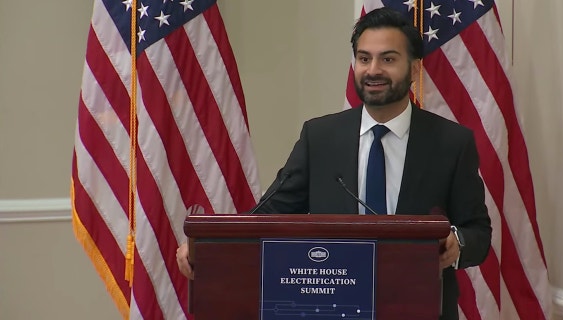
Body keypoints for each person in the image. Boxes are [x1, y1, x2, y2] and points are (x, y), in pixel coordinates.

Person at [177, 7, 491, 320]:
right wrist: (209, 251)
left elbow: (478, 233)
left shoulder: (451, 143)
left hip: (419, 309)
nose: (373, 70)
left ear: (414, 69)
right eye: (364, 58)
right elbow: (268, 219)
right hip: (332, 308)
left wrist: (456, 243)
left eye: (388, 59)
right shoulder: (320, 137)